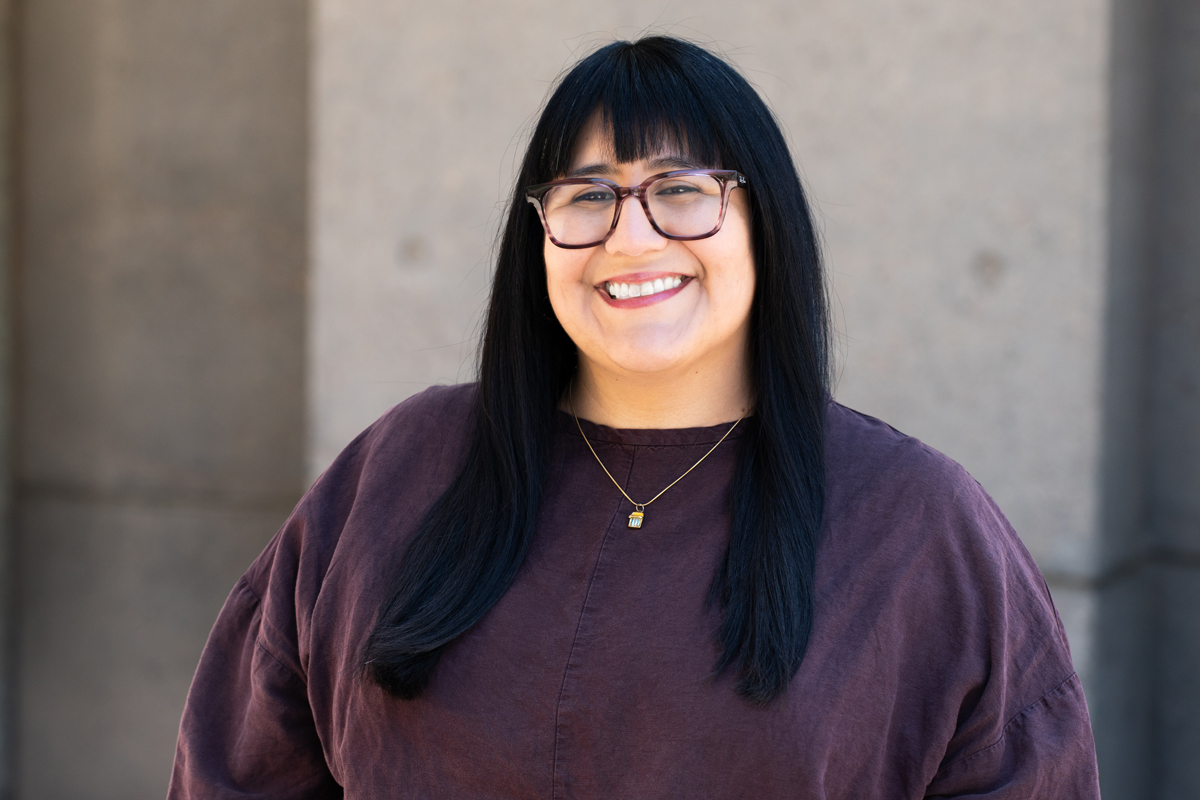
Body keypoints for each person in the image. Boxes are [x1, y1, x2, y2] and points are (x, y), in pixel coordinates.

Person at [169, 36, 1101, 799]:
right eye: (587, 196)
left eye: (682, 191)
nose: (631, 236)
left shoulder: (917, 524)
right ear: (539, 235)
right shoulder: (400, 472)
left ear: (761, 221)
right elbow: (239, 772)